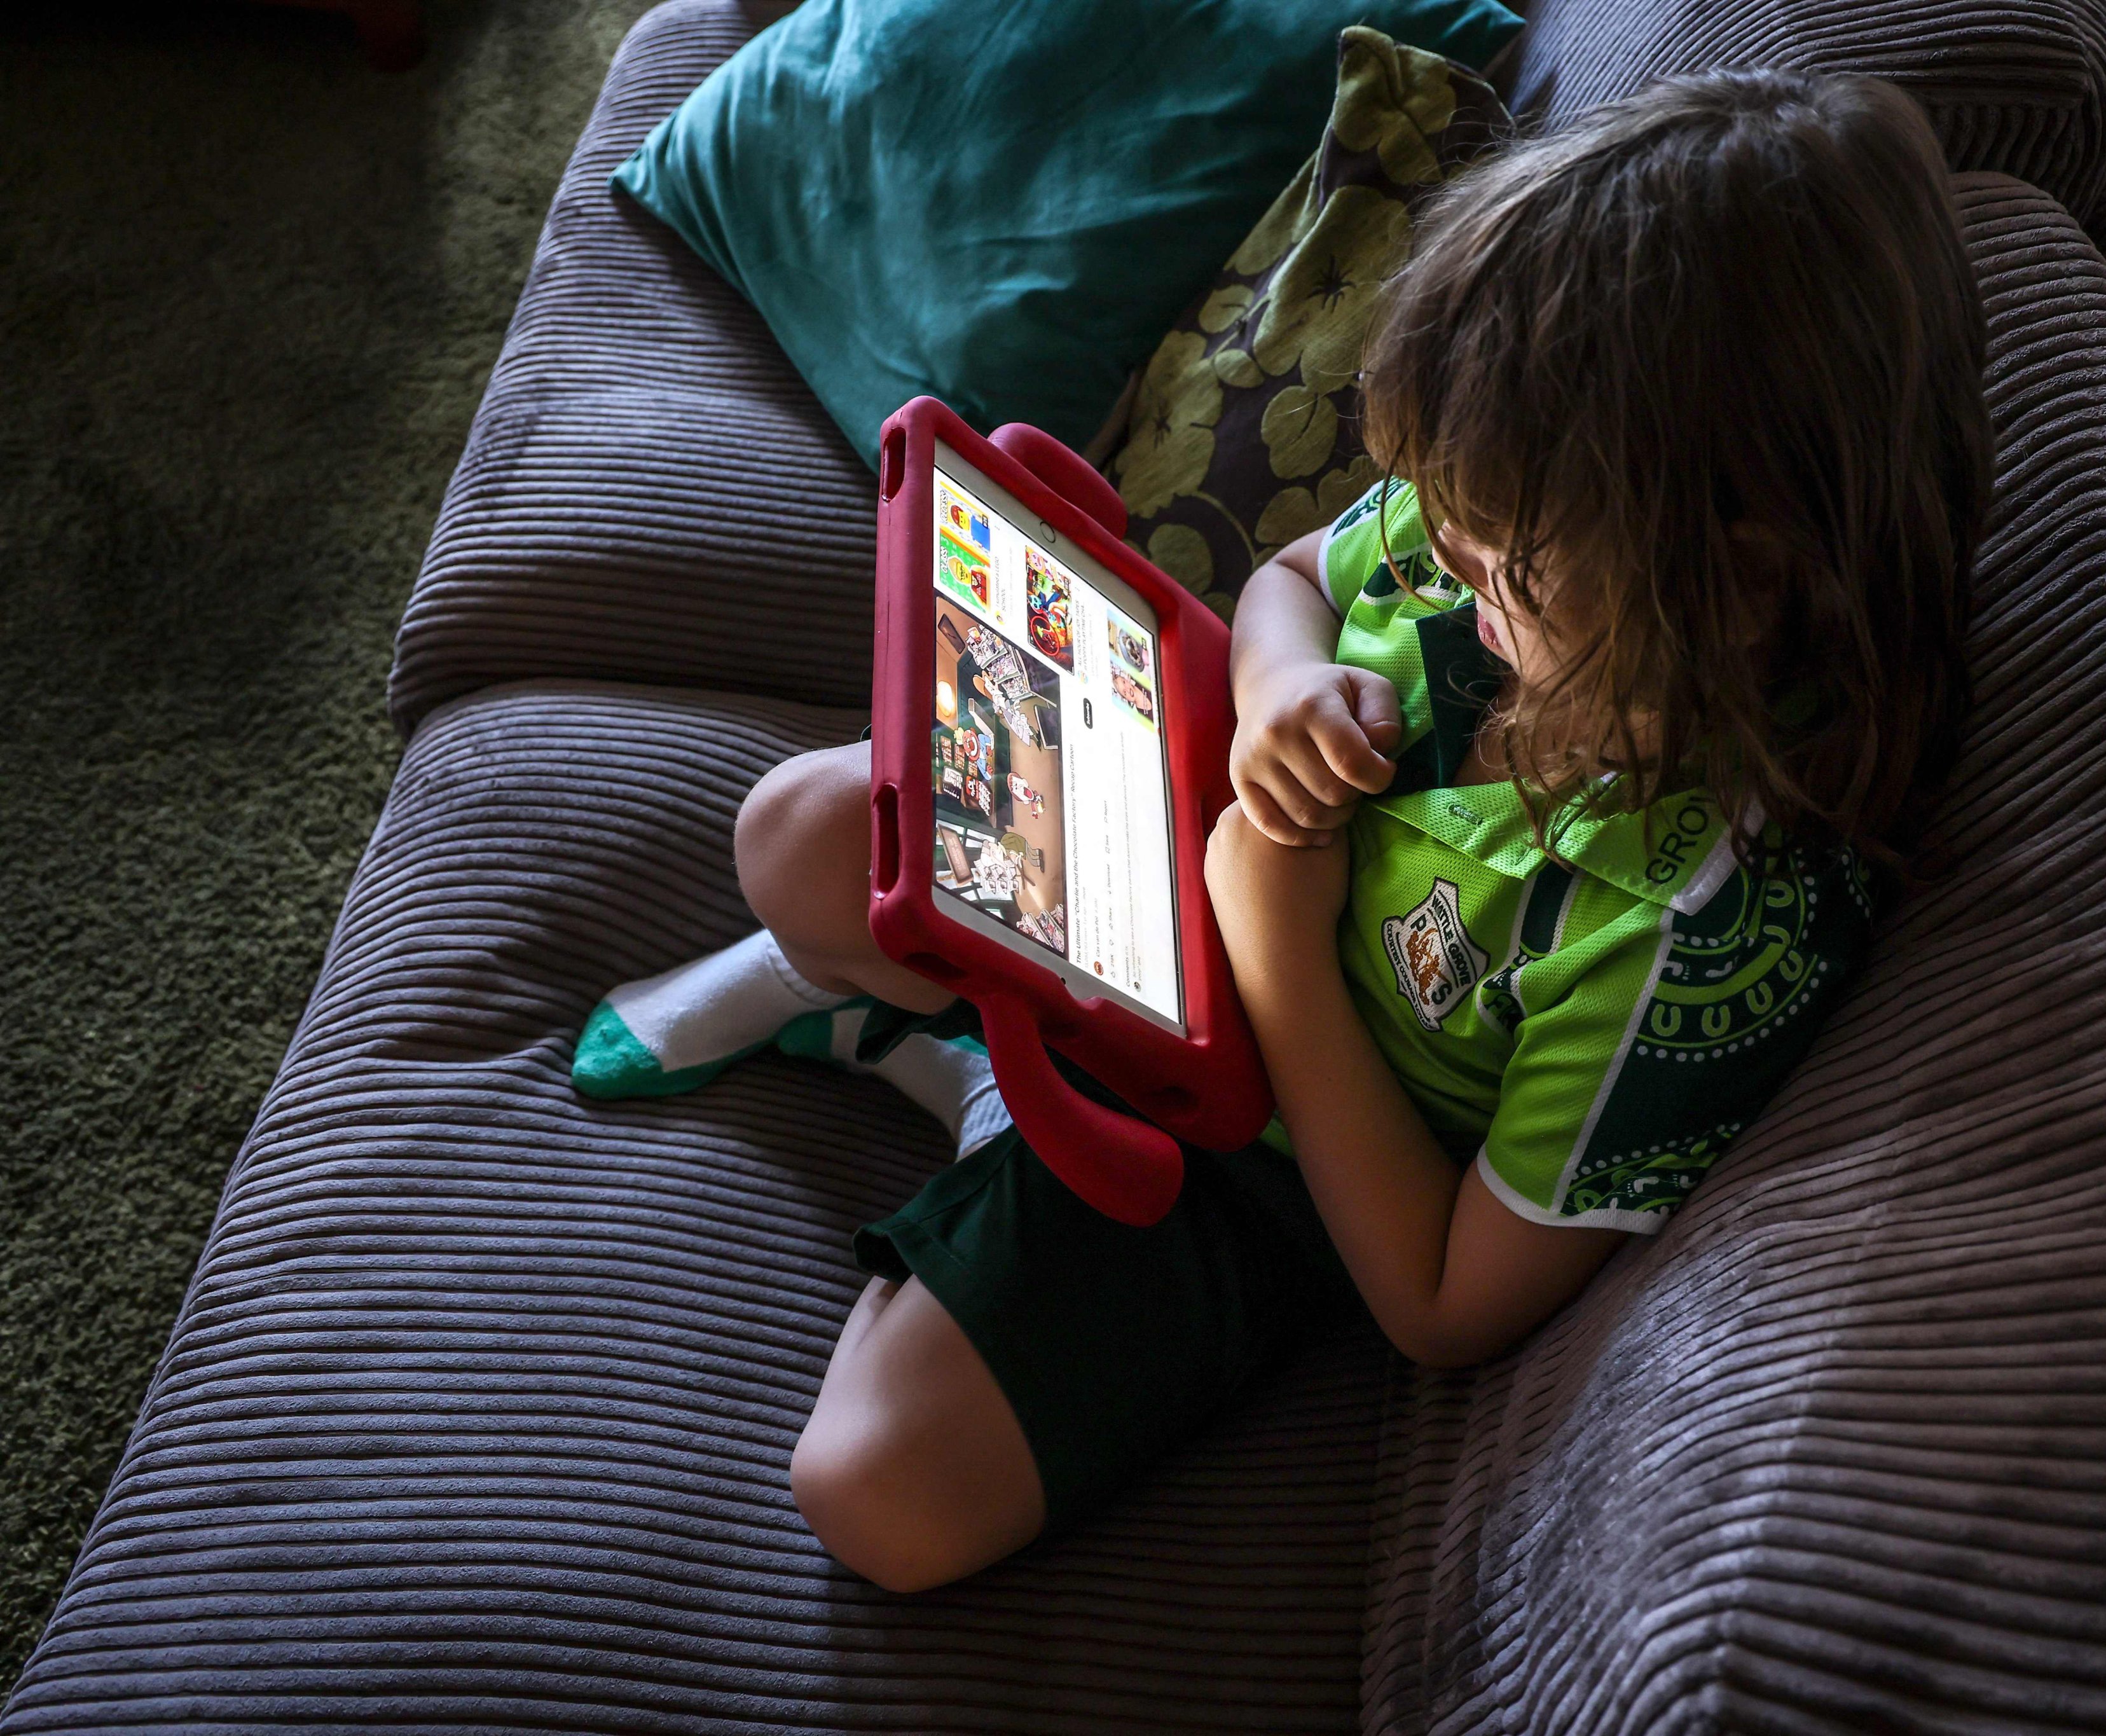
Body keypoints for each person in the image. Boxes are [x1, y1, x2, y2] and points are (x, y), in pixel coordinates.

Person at [567, 65, 1990, 1592]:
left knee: (874, 1496)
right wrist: (1282, 686)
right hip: (1185, 846)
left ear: (1741, 576)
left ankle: (967, 1074)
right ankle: (963, 1033)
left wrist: (1281, 954)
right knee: (795, 832)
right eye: (1441, 522)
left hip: (1282, 1166)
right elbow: (1291, 578)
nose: (1449, 564)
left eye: (1497, 559)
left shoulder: (1710, 919)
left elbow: (1444, 1304)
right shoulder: (1524, 500)